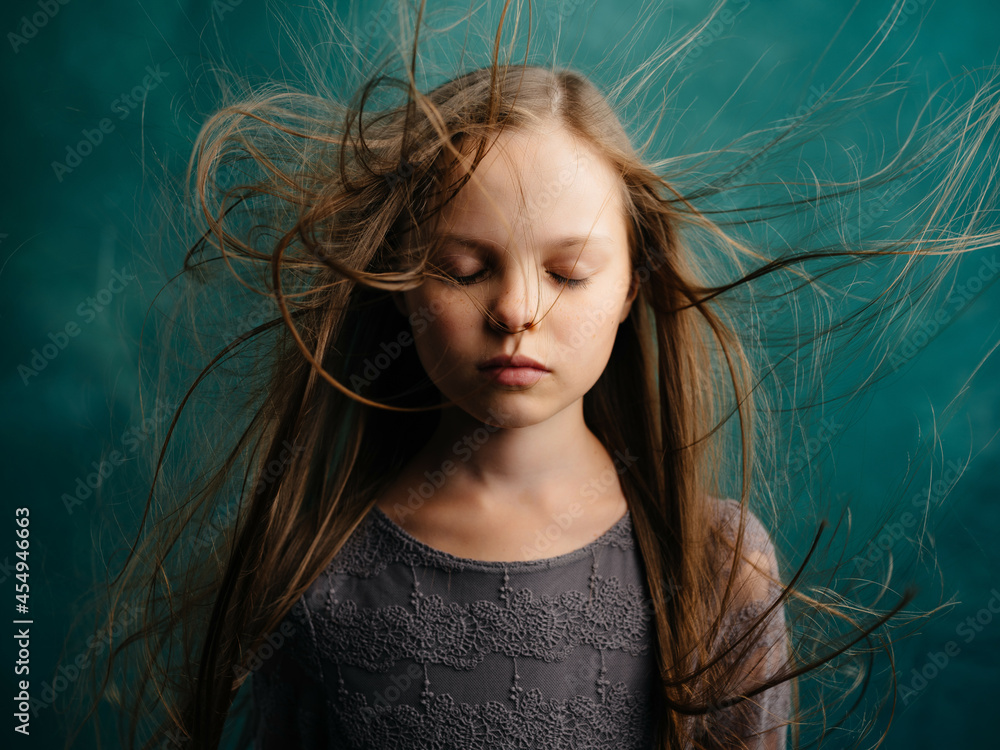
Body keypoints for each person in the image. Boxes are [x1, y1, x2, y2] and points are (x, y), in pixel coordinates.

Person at [67, 2, 1000, 749]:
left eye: (567, 271)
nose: (518, 310)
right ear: (397, 284)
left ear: (634, 285)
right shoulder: (317, 565)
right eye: (467, 269)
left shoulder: (714, 568)